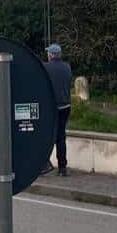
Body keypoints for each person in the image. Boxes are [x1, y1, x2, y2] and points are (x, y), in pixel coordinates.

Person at [43, 44, 73, 176]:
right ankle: (62, 167)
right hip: (66, 106)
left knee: (47, 136)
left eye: (48, 53)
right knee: (61, 137)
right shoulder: (67, 67)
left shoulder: (46, 67)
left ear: (50, 55)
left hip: (51, 107)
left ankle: (44, 164)